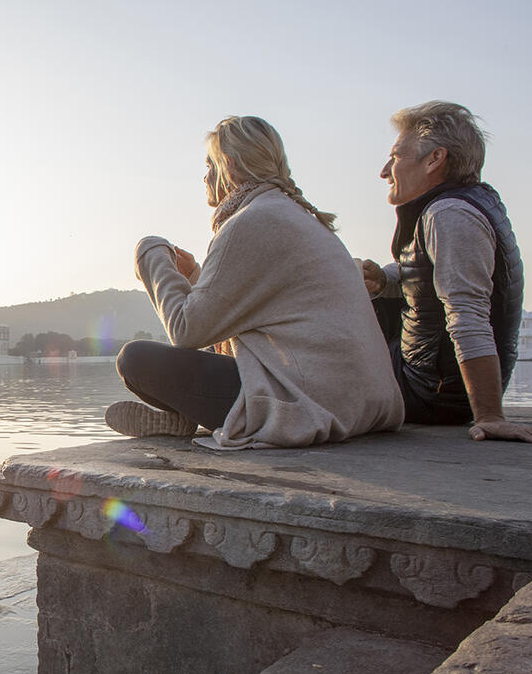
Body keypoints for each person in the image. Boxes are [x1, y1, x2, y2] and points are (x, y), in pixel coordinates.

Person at [107, 115, 403, 449]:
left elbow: (185, 330)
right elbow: (255, 305)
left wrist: (150, 253)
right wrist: (193, 277)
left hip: (313, 406)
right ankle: (185, 416)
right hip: (367, 402)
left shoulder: (252, 221)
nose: (205, 177)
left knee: (135, 360)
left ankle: (193, 415)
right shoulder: (295, 216)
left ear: (228, 166)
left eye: (209, 166)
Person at [361, 101, 532, 444]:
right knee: (357, 292)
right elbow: (428, 275)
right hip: (435, 381)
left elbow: (468, 314)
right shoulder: (464, 203)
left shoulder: (449, 216)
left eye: (397, 157)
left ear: (435, 160)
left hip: (432, 394)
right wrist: (385, 279)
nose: (385, 171)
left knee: (325, 300)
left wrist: (490, 416)